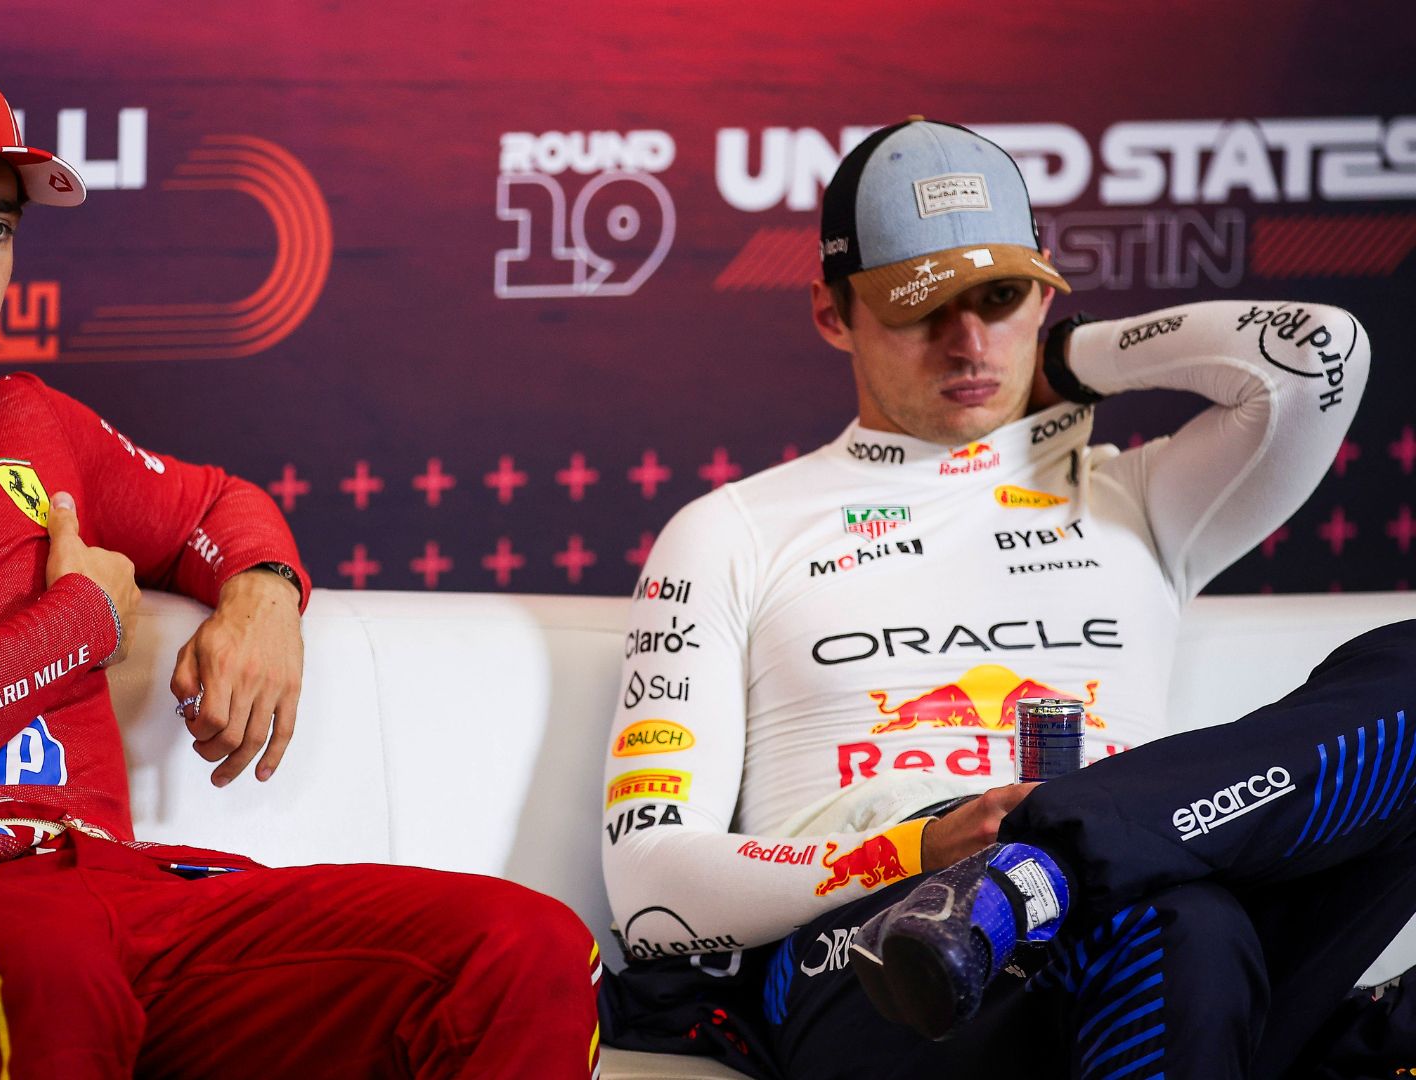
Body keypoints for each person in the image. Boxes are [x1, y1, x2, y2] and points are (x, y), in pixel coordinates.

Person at [0, 50, 599, 1079]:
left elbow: (220, 504)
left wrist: (264, 594)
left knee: (517, 946)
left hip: (124, 894)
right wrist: (82, 618)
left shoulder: (29, 417)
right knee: (45, 965)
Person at [596, 117, 1407, 1079]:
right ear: (830, 311)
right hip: (888, 945)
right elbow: (651, 889)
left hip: (1169, 889)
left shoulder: (1135, 497)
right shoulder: (731, 528)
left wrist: (1071, 361)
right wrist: (921, 846)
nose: (968, 341)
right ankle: (1042, 870)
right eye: (918, 306)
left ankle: (1055, 859)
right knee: (1177, 920)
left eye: (1001, 294)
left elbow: (1320, 353)